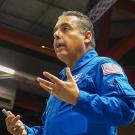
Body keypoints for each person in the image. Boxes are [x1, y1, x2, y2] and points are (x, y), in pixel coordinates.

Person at [5, 11, 135, 135]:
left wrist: (78, 98)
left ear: (87, 36)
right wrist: (26, 132)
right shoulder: (62, 83)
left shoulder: (101, 65)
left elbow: (126, 109)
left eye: (65, 28)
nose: (56, 35)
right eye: (55, 31)